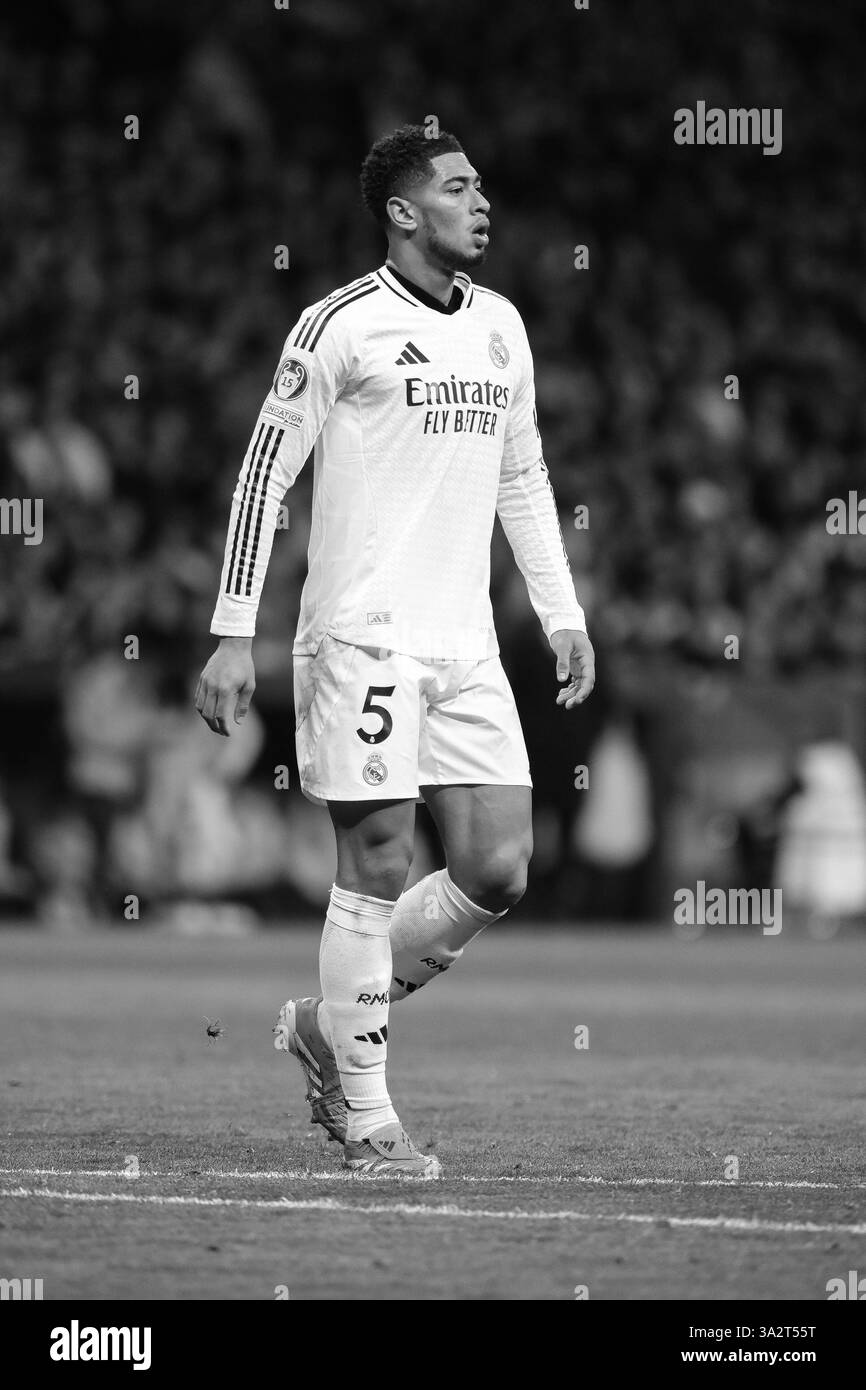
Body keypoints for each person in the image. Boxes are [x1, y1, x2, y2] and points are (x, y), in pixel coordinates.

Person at [195, 125, 595, 1178]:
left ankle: (329, 1024)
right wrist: (233, 630)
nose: (483, 202)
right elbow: (259, 481)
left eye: (481, 186)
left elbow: (523, 480)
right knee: (375, 867)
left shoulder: (502, 328)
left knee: (499, 866)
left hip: (464, 642)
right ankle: (368, 1119)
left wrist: (560, 612)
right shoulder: (338, 325)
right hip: (362, 636)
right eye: (459, 188)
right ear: (402, 211)